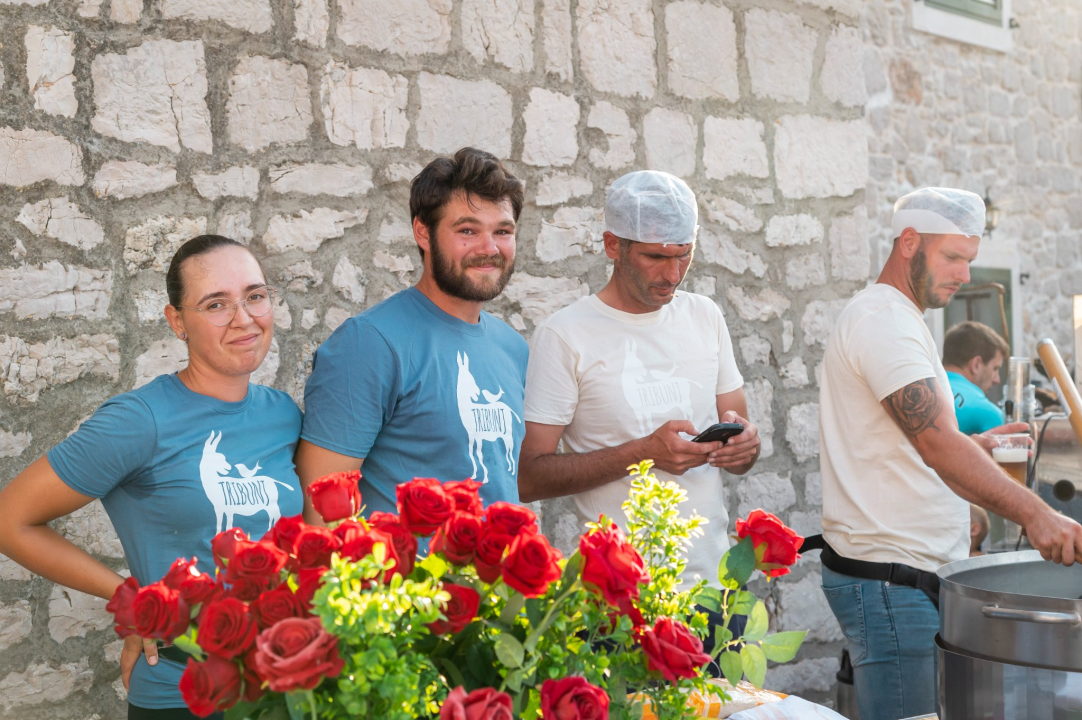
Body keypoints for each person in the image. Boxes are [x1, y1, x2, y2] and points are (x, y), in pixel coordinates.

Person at [0, 235, 302, 719]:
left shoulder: (284, 415)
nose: (244, 318)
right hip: (183, 697)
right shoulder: (139, 420)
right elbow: (9, 519)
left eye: (255, 295)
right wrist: (132, 601)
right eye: (216, 304)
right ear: (177, 322)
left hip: (284, 689)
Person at [817, 187, 1082, 720]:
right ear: (909, 242)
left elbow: (926, 438)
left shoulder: (904, 318)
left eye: (971, 259)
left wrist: (975, 446)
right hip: (890, 583)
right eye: (953, 257)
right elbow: (936, 442)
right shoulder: (883, 320)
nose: (965, 275)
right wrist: (1037, 512)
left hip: (906, 579)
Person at [518, 170, 761, 667]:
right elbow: (529, 476)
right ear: (613, 245)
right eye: (655, 257)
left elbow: (741, 450)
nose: (672, 274)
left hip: (714, 597)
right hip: (619, 605)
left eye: (684, 255)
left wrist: (743, 447)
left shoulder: (705, 317)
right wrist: (644, 452)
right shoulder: (565, 335)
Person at [296, 147, 528, 519]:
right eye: (467, 230)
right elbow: (320, 515)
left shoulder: (512, 348)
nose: (489, 248)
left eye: (502, 231)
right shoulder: (368, 344)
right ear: (423, 231)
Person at [943, 320, 1009, 434]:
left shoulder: (919, 389)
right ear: (976, 365)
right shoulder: (987, 412)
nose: (997, 379)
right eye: (995, 369)